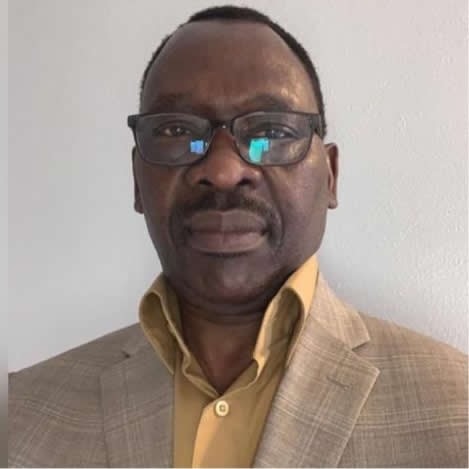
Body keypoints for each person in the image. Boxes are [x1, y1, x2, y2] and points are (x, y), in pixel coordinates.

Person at [8, 5, 467, 468]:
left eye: (271, 131)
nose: (224, 170)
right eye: (177, 130)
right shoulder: (20, 418)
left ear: (330, 175)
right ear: (137, 182)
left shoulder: (457, 413)